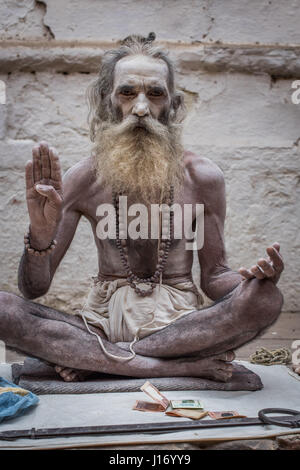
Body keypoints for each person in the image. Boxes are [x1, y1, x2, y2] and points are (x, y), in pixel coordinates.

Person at [0, 33, 284, 383]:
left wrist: (249, 281)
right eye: (127, 92)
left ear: (173, 105)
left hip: (178, 329)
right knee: (4, 309)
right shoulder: (83, 179)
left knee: (266, 300)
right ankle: (170, 368)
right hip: (99, 326)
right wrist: (40, 236)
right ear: (108, 102)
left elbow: (213, 278)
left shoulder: (203, 178)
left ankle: (101, 363)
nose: (140, 108)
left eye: (155, 93)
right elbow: (33, 289)